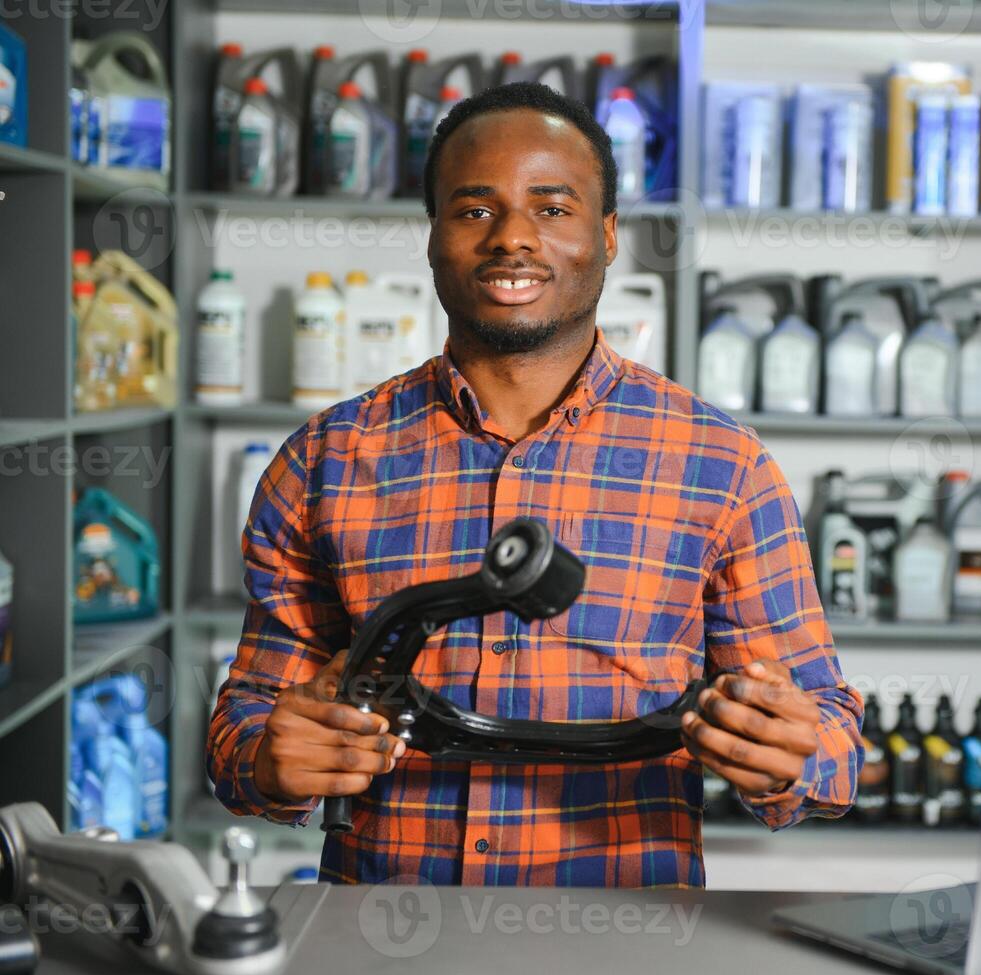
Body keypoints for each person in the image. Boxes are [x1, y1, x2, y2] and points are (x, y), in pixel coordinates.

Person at [207, 82, 863, 886]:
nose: (513, 238)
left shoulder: (721, 465)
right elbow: (241, 732)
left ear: (609, 234)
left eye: (552, 209)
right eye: (474, 210)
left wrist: (789, 756)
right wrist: (271, 761)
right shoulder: (323, 460)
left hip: (627, 940)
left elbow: (832, 746)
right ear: (433, 236)